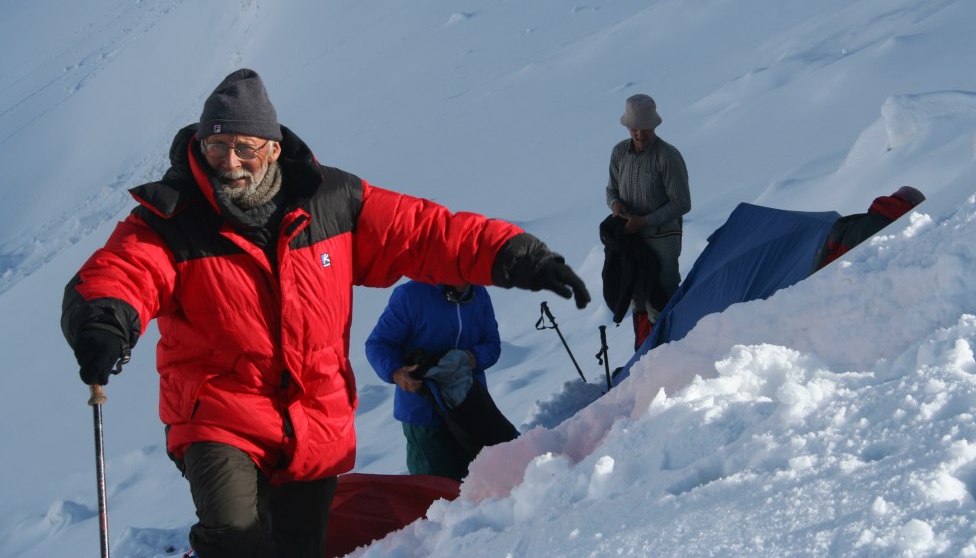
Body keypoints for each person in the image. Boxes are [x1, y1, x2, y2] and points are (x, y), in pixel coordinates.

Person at [60, 68, 590, 558]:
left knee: (299, 548)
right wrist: (104, 319)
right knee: (233, 539)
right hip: (218, 412)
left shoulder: (333, 200)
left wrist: (515, 256)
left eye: (243, 147)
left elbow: (426, 233)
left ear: (271, 146)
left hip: (314, 417)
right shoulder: (171, 216)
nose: (229, 161)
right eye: (216, 145)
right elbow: (125, 269)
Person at [365, 281, 515, 481]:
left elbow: (492, 344)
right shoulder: (411, 295)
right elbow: (378, 343)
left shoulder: (479, 295)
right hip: (424, 416)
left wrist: (473, 357)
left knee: (483, 488)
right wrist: (396, 372)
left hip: (469, 407)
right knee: (435, 496)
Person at [605, 93, 691, 349]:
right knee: (637, 298)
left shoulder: (668, 156)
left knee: (661, 297)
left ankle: (669, 353)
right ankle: (644, 355)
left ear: (654, 126)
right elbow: (611, 190)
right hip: (631, 238)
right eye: (635, 130)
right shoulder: (620, 153)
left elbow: (682, 203)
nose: (640, 135)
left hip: (662, 239)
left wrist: (646, 221)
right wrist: (615, 205)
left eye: (645, 130)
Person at [810, 185, 926, 273]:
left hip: (829, 287)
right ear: (914, 207)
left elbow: (820, 261)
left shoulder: (847, 223)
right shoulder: (909, 232)